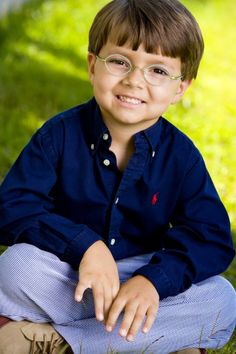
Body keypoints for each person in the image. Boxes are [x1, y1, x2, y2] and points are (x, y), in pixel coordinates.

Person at [0, 0, 235, 353]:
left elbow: (211, 236)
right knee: (15, 266)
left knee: (222, 299)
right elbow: (14, 206)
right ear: (93, 66)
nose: (134, 80)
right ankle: (156, 342)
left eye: (157, 71)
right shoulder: (58, 135)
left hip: (142, 279)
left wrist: (154, 281)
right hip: (72, 278)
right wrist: (84, 245)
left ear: (181, 88)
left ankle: (58, 342)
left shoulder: (181, 157)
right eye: (120, 61)